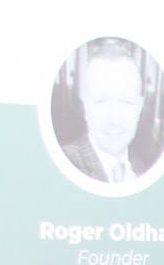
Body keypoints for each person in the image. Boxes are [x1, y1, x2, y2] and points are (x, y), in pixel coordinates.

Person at [60, 38, 152, 184]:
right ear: (85, 106)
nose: (114, 120)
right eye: (101, 101)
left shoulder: (144, 168)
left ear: (139, 108)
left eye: (126, 102)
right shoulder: (64, 162)